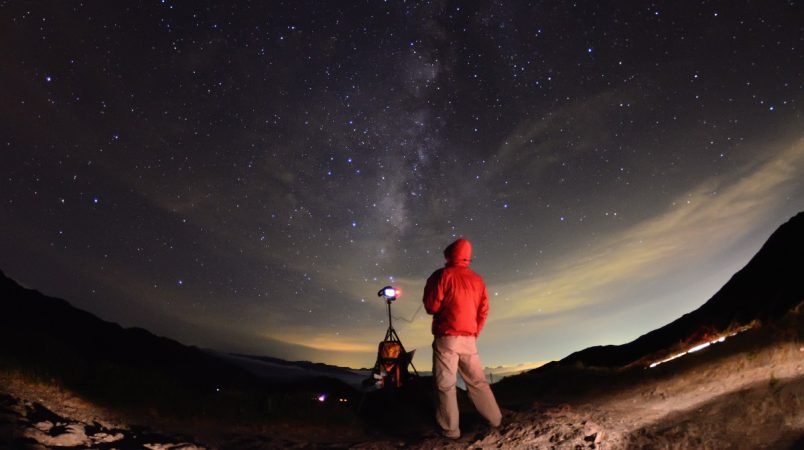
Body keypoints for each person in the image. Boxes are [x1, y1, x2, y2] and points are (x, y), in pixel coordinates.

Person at [422, 238, 502, 439]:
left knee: (445, 384)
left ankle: (451, 429)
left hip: (447, 337)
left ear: (449, 254)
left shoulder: (442, 275)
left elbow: (431, 307)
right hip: (469, 339)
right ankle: (495, 419)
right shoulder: (478, 280)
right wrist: (474, 332)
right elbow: (484, 310)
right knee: (477, 382)